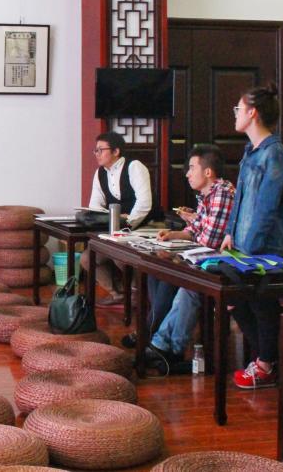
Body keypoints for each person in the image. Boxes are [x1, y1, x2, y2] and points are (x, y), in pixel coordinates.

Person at [220, 82, 283, 389]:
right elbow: (240, 200)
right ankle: (267, 360)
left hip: (264, 246)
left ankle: (266, 364)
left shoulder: (274, 154)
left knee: (262, 305)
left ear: (252, 113)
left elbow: (266, 209)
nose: (235, 114)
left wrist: (249, 247)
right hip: (241, 244)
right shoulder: (251, 151)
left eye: (238, 109)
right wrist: (229, 232)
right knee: (236, 301)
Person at [142, 144, 235, 374]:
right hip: (205, 258)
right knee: (158, 274)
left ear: (208, 172)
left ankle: (163, 345)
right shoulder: (207, 194)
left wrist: (192, 231)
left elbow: (210, 240)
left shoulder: (222, 193)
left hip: (223, 262)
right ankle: (161, 343)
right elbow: (196, 230)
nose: (187, 174)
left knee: (187, 288)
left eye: (192, 168)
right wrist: (173, 235)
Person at [79, 131, 152, 306]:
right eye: (95, 150)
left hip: (143, 225)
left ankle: (137, 292)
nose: (97, 154)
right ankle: (118, 293)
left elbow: (144, 203)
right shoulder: (100, 173)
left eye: (101, 150)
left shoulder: (134, 167)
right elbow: (95, 206)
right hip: (116, 228)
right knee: (87, 259)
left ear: (116, 151)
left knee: (121, 256)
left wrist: (128, 222)